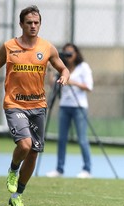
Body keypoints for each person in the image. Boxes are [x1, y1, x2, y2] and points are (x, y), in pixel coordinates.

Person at [0, 5, 70, 206]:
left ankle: (17, 196)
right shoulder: (9, 47)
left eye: (36, 23)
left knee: (34, 152)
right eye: (29, 23)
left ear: (40, 24)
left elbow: (63, 68)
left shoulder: (47, 48)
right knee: (24, 145)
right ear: (21, 24)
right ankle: (13, 169)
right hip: (14, 104)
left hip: (38, 106)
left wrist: (65, 77)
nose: (33, 26)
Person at [46, 43, 93, 179]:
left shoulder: (83, 67)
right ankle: (59, 169)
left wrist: (72, 82)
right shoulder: (62, 67)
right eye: (66, 53)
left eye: (70, 53)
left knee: (82, 139)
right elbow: (53, 85)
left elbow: (89, 86)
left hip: (79, 107)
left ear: (76, 54)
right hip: (64, 106)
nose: (68, 56)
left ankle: (87, 169)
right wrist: (50, 71)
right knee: (61, 139)